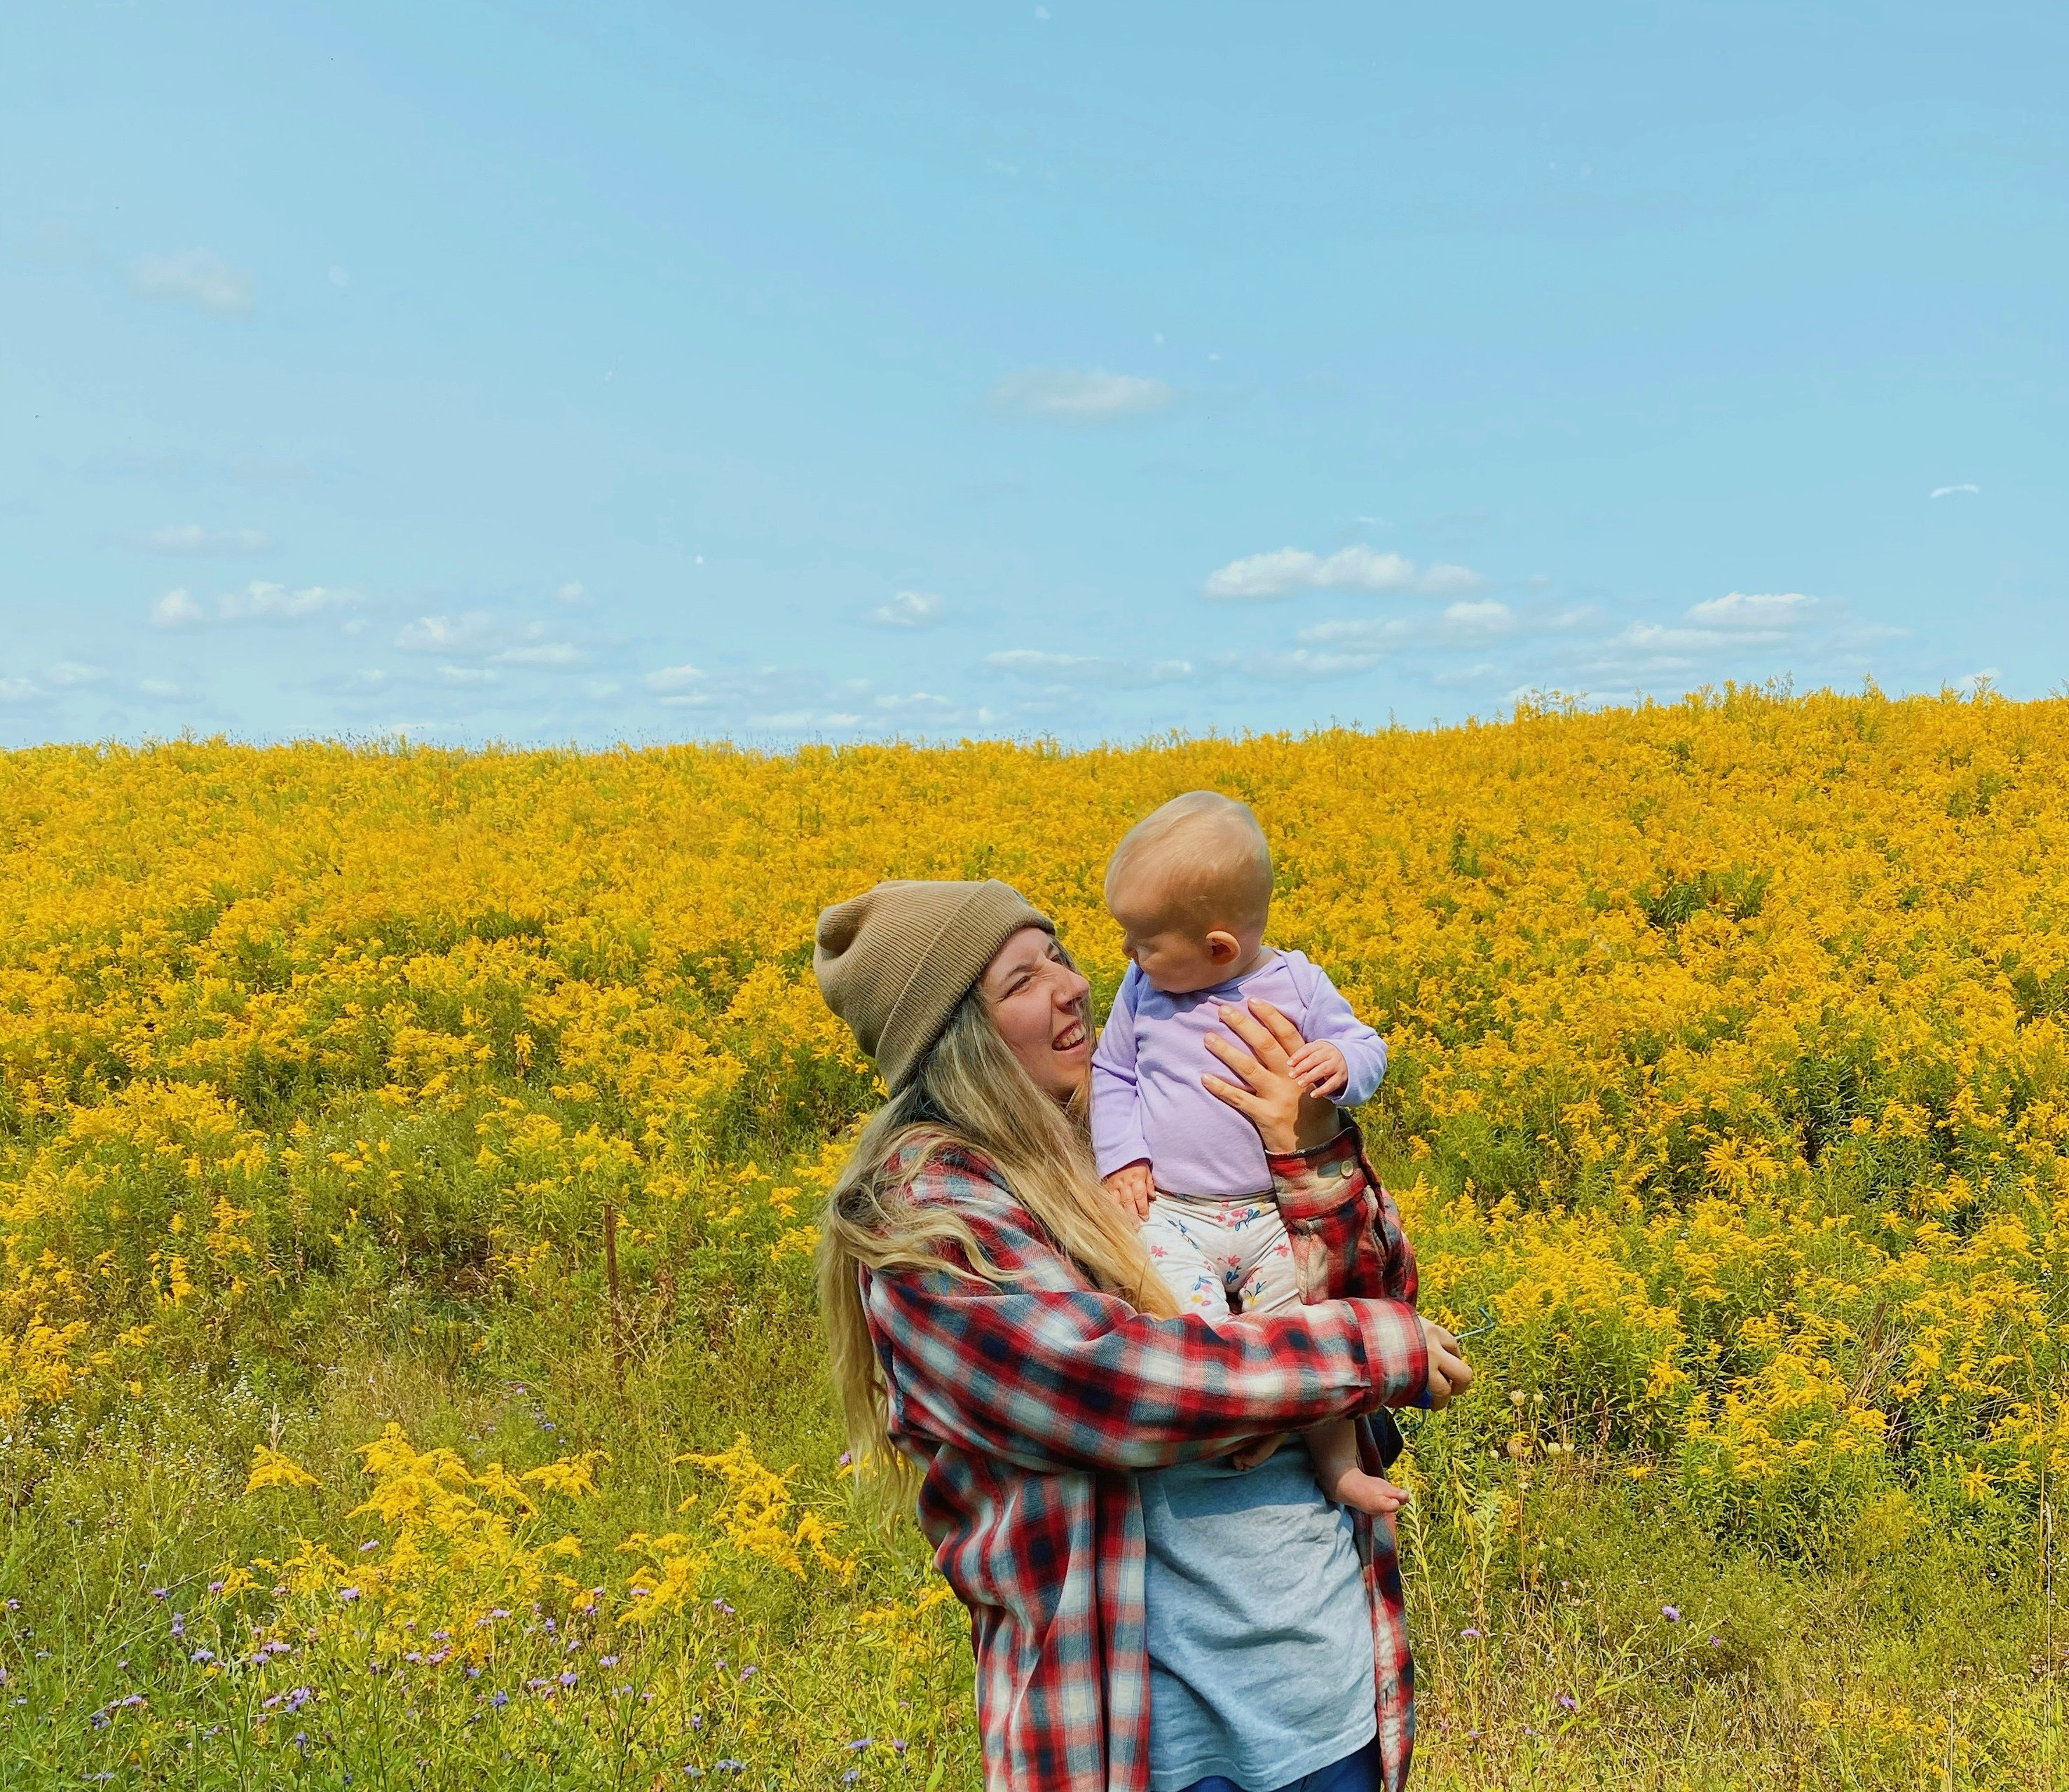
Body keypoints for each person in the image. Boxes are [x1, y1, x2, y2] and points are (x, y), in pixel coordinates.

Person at [812, 877, 1471, 1792]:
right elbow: (1106, 1382)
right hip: (1141, 1745)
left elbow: (1381, 1293)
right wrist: (1357, 1352)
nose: (1071, 985)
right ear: (955, 1036)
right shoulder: (925, 1212)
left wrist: (1308, 1144)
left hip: (1322, 1695)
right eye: (1019, 980)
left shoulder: (1133, 1128)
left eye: (1059, 955)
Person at [1092, 791, 1406, 1519]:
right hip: (1174, 1212)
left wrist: (1339, 1061)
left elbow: (1367, 1044)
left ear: (1217, 949)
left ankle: (1336, 1466)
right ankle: (1241, 1421)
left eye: (1142, 939)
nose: (1127, 954)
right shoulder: (1141, 989)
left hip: (1275, 1216)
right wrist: (1122, 1157)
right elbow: (1112, 1074)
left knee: (1308, 1334)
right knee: (1195, 1330)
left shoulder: (1296, 982)